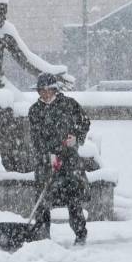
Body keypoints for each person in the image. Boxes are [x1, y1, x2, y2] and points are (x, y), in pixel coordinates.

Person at [28, 73, 90, 245]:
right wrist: (48, 155)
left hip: (69, 162)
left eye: (49, 90)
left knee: (73, 199)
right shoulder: (35, 110)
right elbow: (35, 137)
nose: (45, 94)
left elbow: (85, 122)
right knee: (42, 198)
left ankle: (80, 234)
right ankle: (42, 236)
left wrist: (76, 138)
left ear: (55, 89)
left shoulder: (69, 105)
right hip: (45, 161)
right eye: (42, 90)